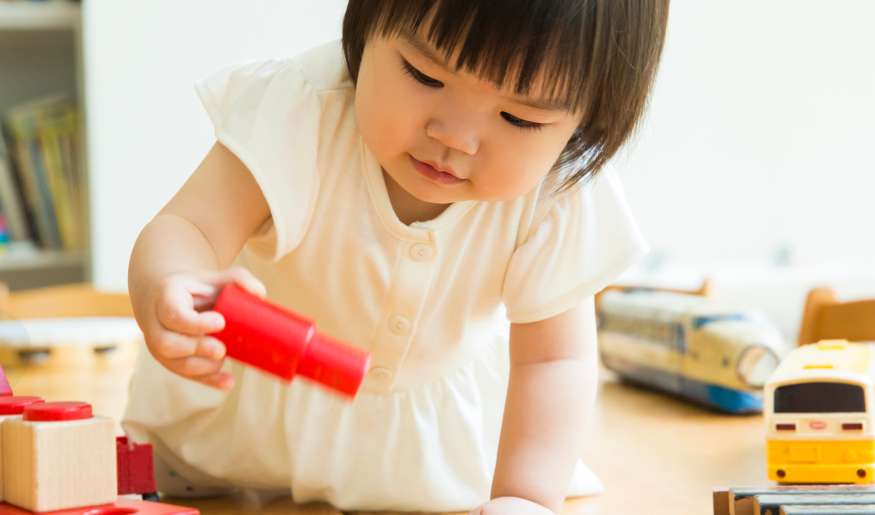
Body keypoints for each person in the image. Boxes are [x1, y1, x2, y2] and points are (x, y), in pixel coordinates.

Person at [123, 1, 670, 513]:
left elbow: (554, 361)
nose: (454, 137)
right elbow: (188, 226)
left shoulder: (560, 187)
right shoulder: (302, 109)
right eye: (426, 76)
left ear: (586, 124)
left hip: (428, 465)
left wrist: (523, 499)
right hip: (228, 440)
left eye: (520, 119)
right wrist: (168, 281)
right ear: (366, 27)